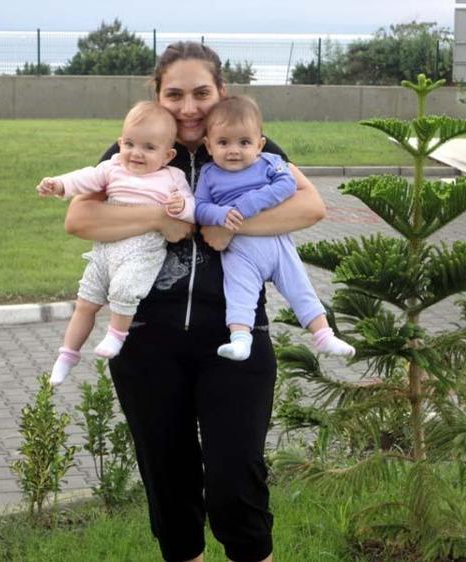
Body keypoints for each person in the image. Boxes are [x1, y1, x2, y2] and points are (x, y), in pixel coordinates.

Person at [65, 42, 327, 562]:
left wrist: (231, 225)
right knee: (169, 481)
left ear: (221, 91)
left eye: (201, 93)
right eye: (175, 94)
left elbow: (311, 206)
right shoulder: (134, 149)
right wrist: (160, 219)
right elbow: (79, 219)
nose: (188, 108)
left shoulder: (245, 145)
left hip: (235, 338)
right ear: (157, 94)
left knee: (236, 480)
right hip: (147, 344)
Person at [37, 101, 194, 385]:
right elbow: (83, 178)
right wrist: (58, 184)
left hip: (143, 249)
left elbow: (191, 211)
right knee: (86, 301)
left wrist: (181, 206)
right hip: (105, 248)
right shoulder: (112, 168)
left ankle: (116, 335)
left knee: (124, 289)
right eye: (130, 144)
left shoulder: (172, 178)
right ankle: (67, 354)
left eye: (149, 148)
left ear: (168, 155)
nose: (136, 153)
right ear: (120, 142)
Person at [195, 95, 355, 362]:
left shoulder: (270, 162)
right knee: (239, 293)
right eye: (223, 143)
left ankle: (323, 335)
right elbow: (200, 207)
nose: (234, 150)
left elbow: (287, 185)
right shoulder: (209, 174)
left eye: (244, 143)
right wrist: (220, 214)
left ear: (259, 144)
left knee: (300, 288)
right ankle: (240, 340)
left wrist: (249, 204)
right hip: (239, 251)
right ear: (208, 146)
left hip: (278, 244)